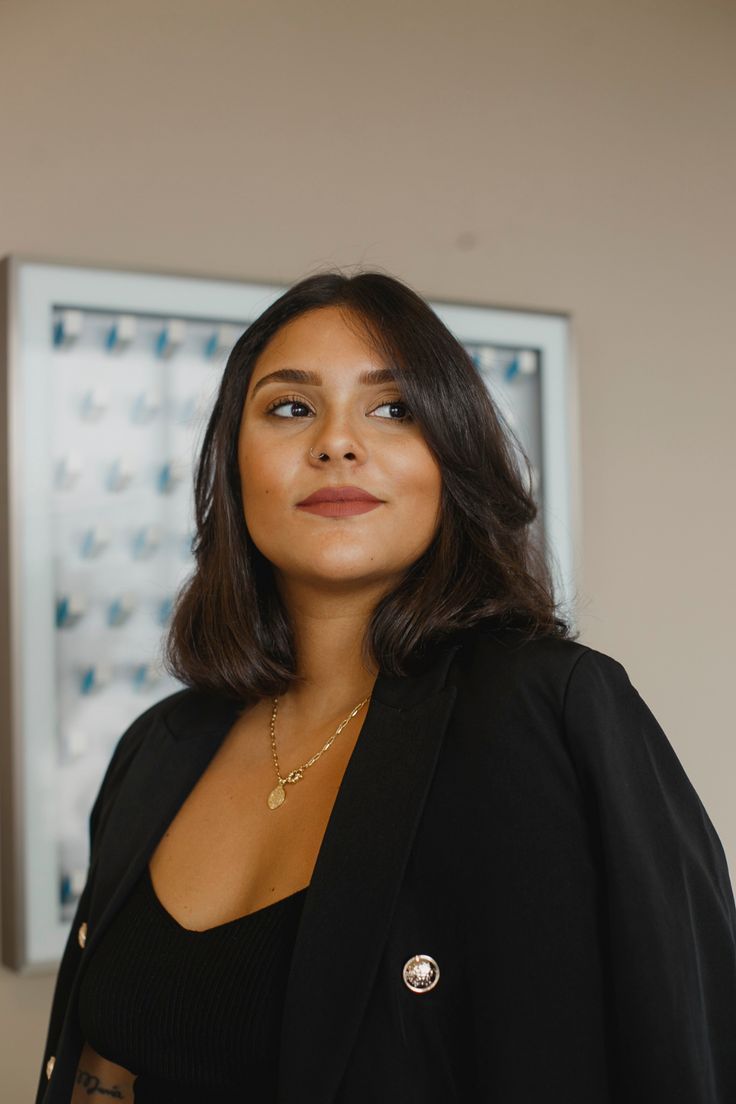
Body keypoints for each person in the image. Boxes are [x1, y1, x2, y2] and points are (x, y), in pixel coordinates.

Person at [37, 271, 736, 1103]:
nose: (337, 443)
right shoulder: (161, 745)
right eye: (291, 408)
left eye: (394, 408)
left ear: (454, 457)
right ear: (233, 466)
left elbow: (679, 1057)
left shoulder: (554, 713)